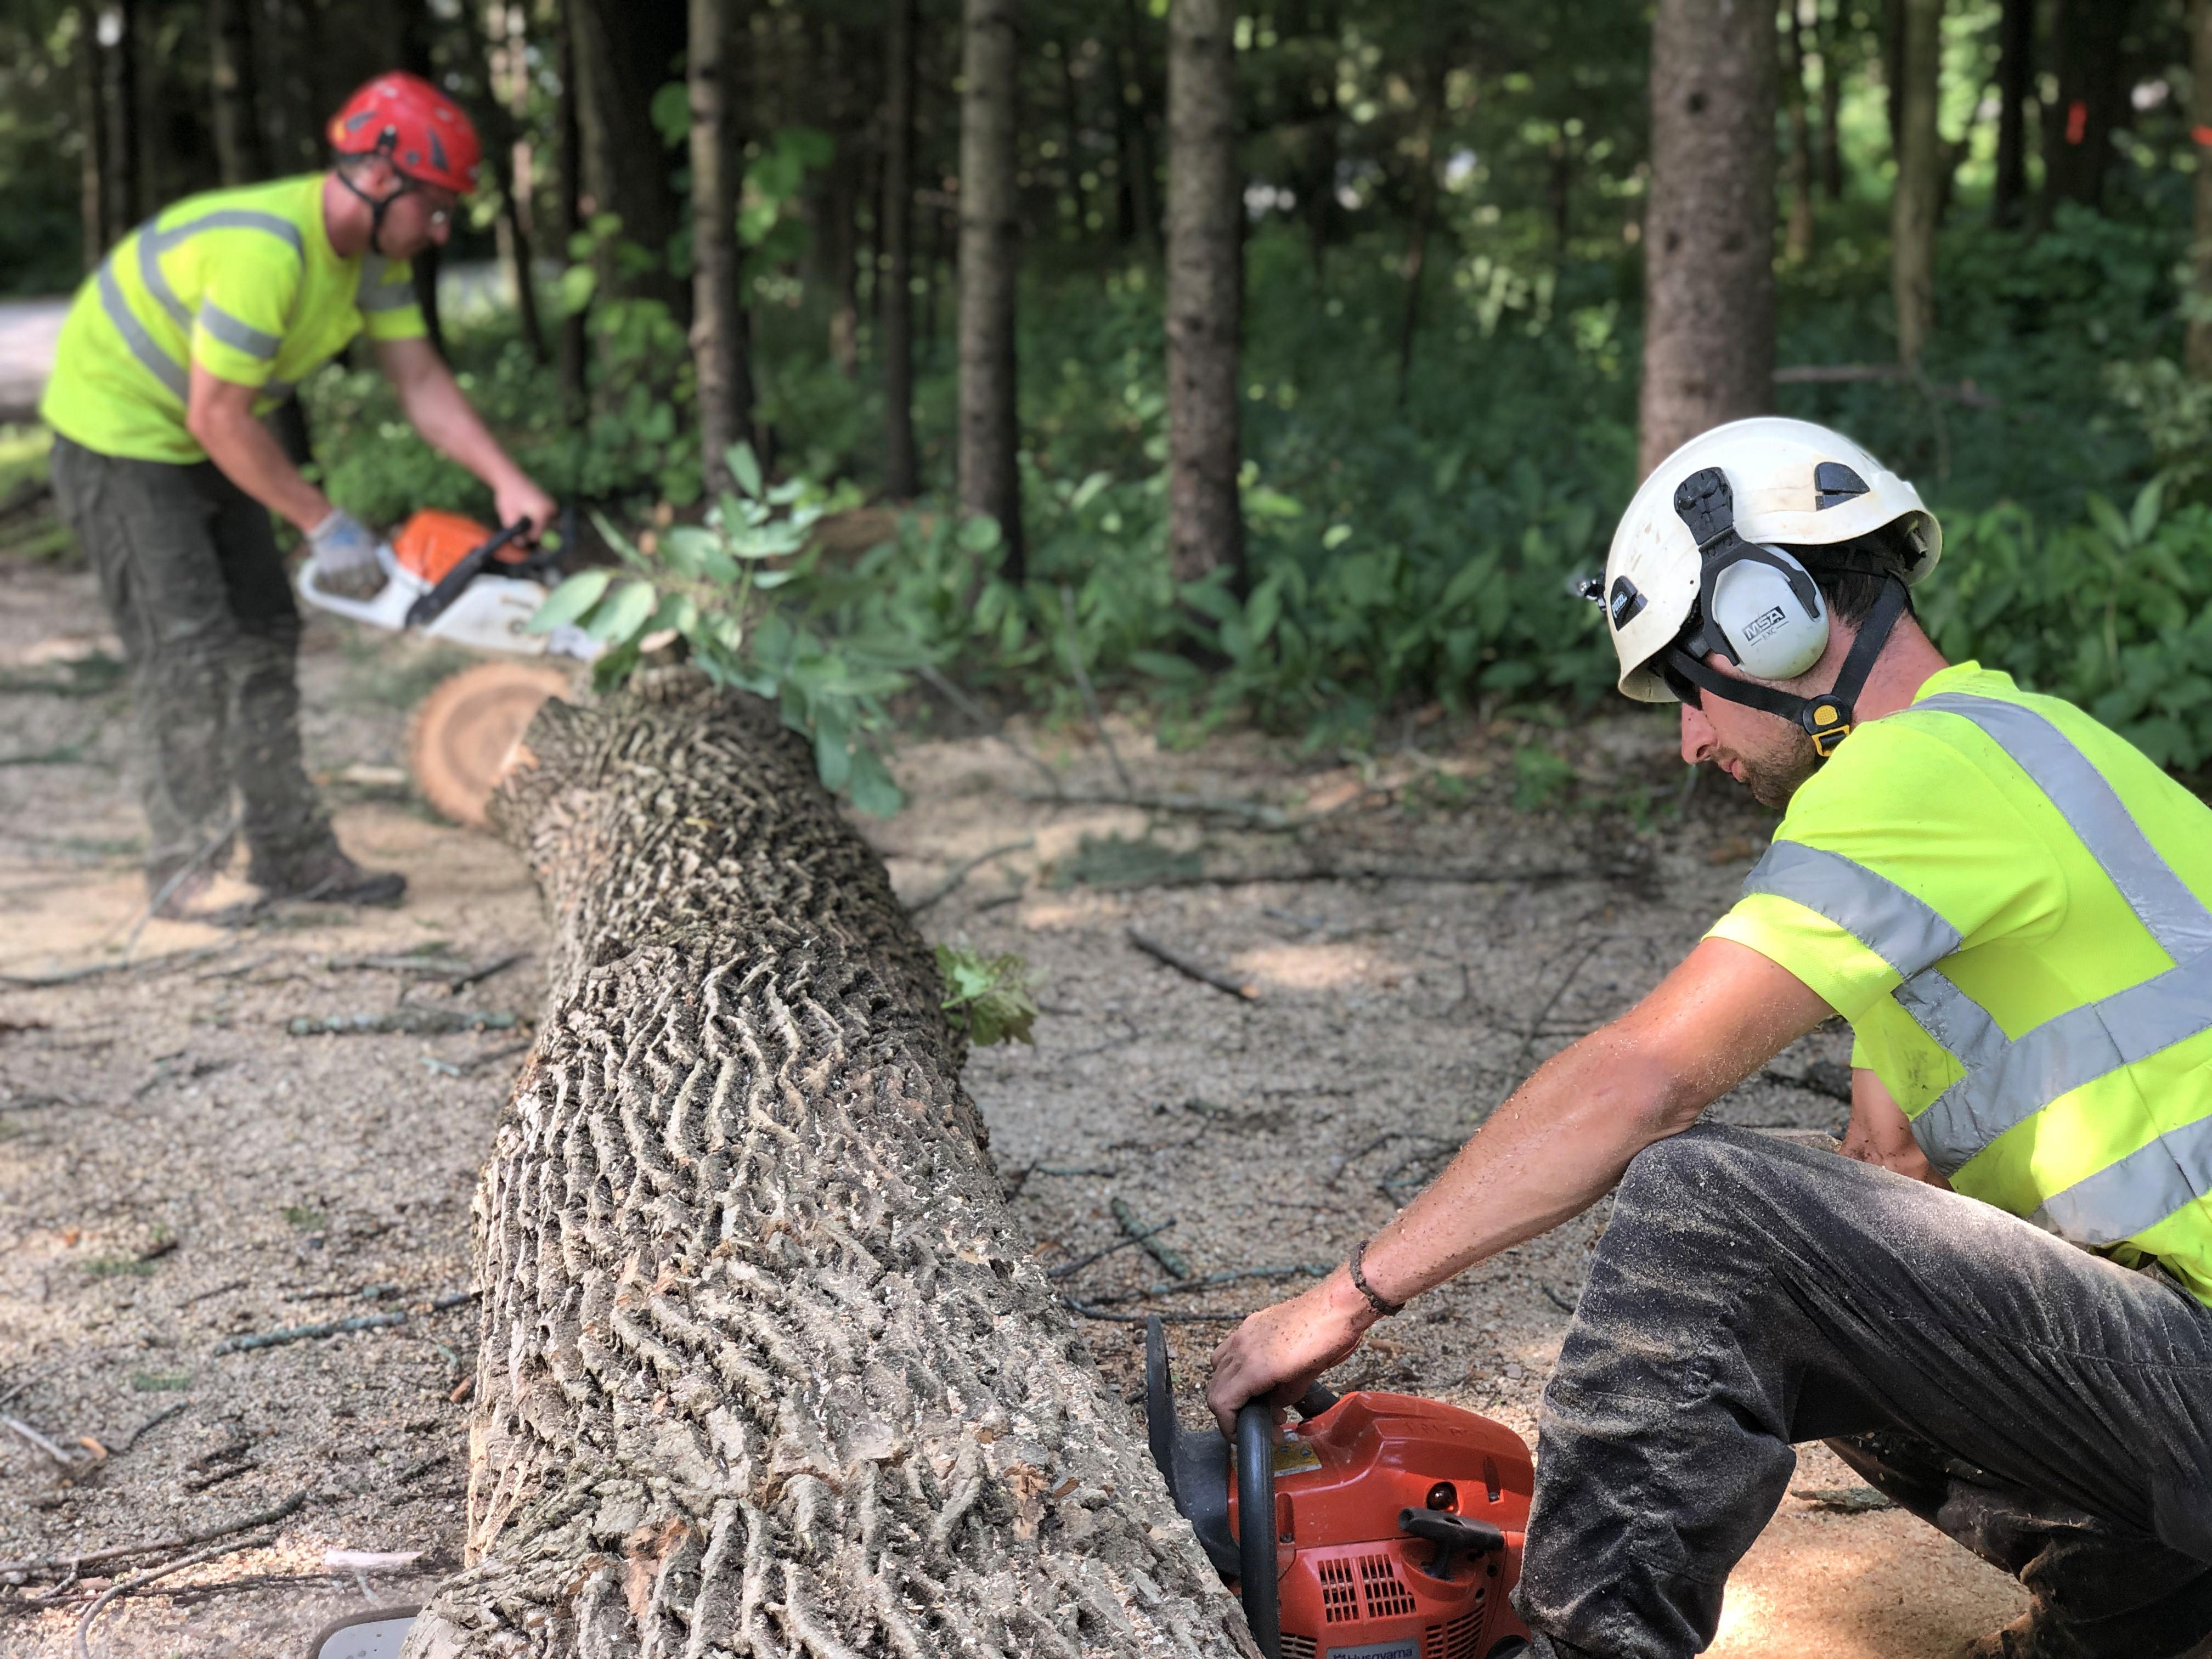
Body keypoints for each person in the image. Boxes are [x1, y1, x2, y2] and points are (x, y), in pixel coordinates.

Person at [1206, 417, 2212, 1659]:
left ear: (1770, 616)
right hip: (2181, 1371)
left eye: (1689, 689)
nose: (1691, 740)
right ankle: (2134, 1617)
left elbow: (1641, 1081)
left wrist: (1343, 1299)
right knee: (1804, 1246)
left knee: (1708, 1210)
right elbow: (1885, 1191)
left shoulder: (1916, 777)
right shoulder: (2039, 750)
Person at [39, 71, 556, 914]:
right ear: (379, 176)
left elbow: (419, 380)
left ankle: (290, 853)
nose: (440, 228)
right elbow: (218, 414)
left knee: (267, 632)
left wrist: (508, 482)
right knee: (191, 649)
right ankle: (187, 869)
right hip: (121, 436)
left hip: (211, 428)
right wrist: (325, 523)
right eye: (434, 206)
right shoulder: (267, 252)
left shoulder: (371, 262)